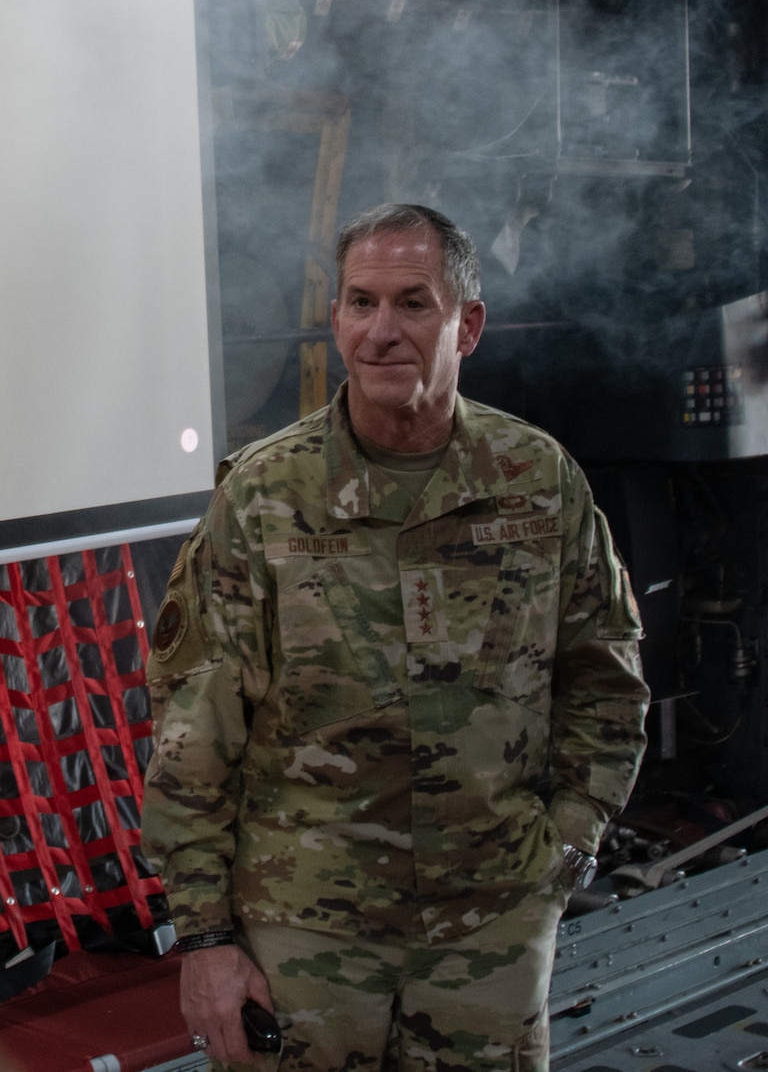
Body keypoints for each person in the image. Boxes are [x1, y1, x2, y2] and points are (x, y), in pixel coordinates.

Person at [141, 203, 649, 1070]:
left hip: (489, 921)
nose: (382, 331)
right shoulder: (265, 497)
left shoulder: (536, 481)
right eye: (361, 303)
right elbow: (195, 729)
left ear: (469, 325)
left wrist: (569, 842)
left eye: (414, 303)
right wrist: (206, 935)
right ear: (336, 318)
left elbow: (606, 677)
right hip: (305, 931)